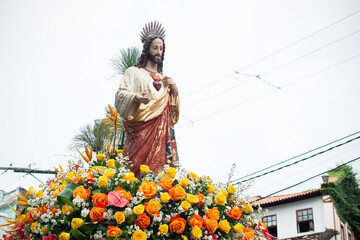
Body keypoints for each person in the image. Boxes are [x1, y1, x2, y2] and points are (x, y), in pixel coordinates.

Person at [115, 21, 179, 176]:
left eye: (161, 49)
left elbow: (172, 115)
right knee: (134, 173)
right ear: (147, 49)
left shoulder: (164, 79)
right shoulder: (134, 72)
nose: (158, 51)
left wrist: (174, 92)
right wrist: (135, 97)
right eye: (155, 47)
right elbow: (120, 95)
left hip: (161, 134)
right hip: (140, 132)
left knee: (159, 172)